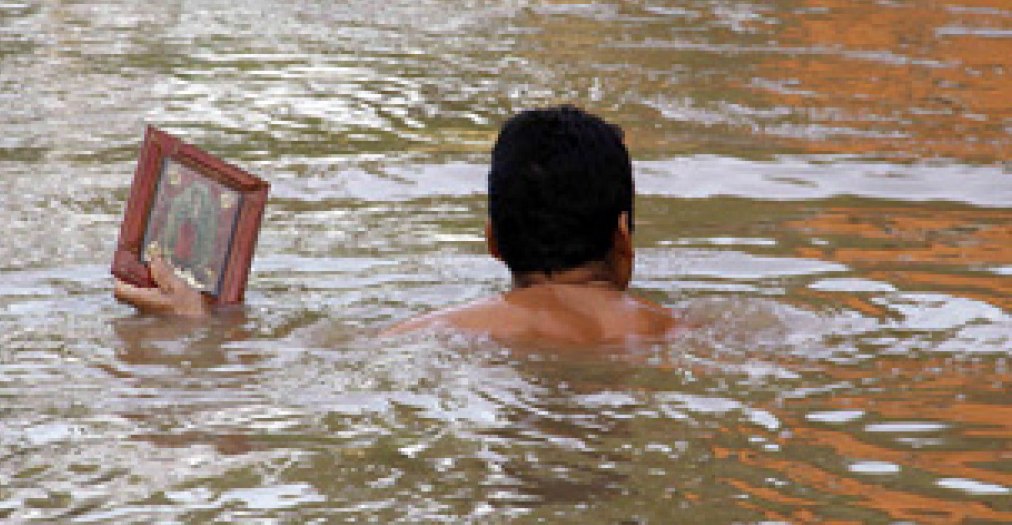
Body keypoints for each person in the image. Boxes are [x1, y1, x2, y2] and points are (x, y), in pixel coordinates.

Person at [115, 104, 679, 345]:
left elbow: (289, 364)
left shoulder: (440, 330)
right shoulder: (677, 332)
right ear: (622, 240)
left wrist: (203, 324)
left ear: (492, 241)